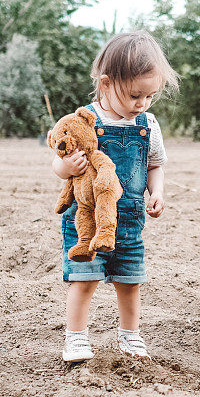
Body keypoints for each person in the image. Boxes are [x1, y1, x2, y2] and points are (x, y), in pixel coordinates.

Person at [52, 31, 178, 362]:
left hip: (130, 222)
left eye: (150, 96)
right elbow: (57, 161)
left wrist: (158, 192)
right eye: (136, 95)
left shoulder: (148, 124)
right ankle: (76, 338)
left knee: (130, 281)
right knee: (85, 278)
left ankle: (130, 336)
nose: (143, 103)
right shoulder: (85, 120)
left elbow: (155, 165)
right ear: (107, 85)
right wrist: (66, 166)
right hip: (88, 221)